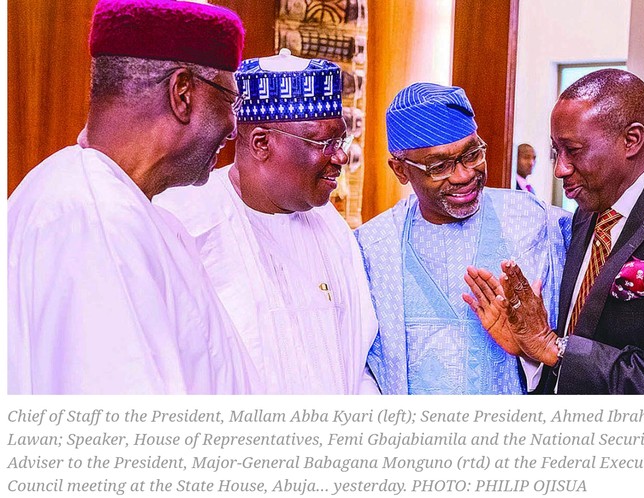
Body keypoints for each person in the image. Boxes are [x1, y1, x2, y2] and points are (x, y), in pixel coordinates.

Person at [8, 0, 260, 394]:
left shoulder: (116, 205)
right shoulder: (95, 221)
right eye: (230, 101)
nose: (232, 127)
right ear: (182, 93)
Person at [466, 69, 644, 394]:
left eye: (573, 150)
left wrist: (557, 349)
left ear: (632, 140)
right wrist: (532, 351)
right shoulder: (587, 212)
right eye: (556, 152)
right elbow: (569, 342)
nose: (560, 169)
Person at [155, 49, 379, 394]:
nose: (341, 156)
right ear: (261, 143)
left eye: (341, 140)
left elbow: (360, 359)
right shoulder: (185, 223)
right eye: (324, 142)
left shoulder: (332, 229)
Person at [354, 82, 571, 394]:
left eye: (472, 154)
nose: (464, 174)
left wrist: (528, 348)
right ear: (400, 170)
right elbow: (359, 368)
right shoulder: (372, 248)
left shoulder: (535, 223)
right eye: (440, 166)